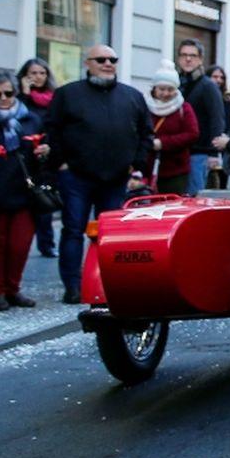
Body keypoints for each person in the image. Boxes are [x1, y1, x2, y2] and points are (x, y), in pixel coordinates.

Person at [44, 45, 153, 304]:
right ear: (88, 63)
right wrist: (61, 163)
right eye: (101, 59)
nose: (108, 63)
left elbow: (146, 133)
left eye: (113, 59)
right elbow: (51, 130)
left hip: (116, 177)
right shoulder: (67, 94)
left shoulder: (132, 96)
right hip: (76, 176)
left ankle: (106, 282)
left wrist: (135, 164)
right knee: (73, 230)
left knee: (110, 234)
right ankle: (72, 285)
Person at [0, 72, 49, 310]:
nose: (4, 98)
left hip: (25, 191)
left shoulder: (30, 118)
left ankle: (14, 289)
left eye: (8, 93)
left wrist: (44, 151)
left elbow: (44, 145)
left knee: (20, 246)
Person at [16, 58, 57, 258]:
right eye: (33, 73)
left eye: (42, 73)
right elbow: (17, 118)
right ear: (25, 75)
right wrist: (24, 93)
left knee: (44, 200)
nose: (38, 77)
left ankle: (47, 244)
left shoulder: (53, 98)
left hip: (45, 156)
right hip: (23, 157)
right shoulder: (17, 98)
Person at [175, 39, 227, 195]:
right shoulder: (176, 84)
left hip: (200, 154)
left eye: (192, 55)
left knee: (195, 196)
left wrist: (213, 153)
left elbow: (216, 119)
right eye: (183, 55)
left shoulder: (208, 86)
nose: (188, 59)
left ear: (200, 59)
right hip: (178, 153)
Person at [142, 61, 200, 196]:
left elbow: (192, 134)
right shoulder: (143, 106)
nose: (166, 93)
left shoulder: (184, 108)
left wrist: (163, 143)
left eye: (170, 89)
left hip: (175, 171)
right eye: (162, 89)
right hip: (146, 169)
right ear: (154, 88)